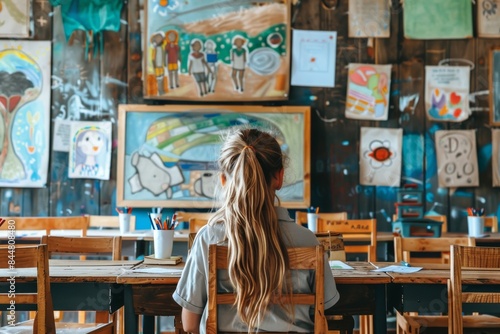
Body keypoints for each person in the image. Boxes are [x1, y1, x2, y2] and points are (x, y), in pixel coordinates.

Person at [173, 128, 339, 333]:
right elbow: (326, 310)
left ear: (224, 180)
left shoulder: (209, 238)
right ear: (279, 177)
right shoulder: (307, 240)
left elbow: (189, 324)